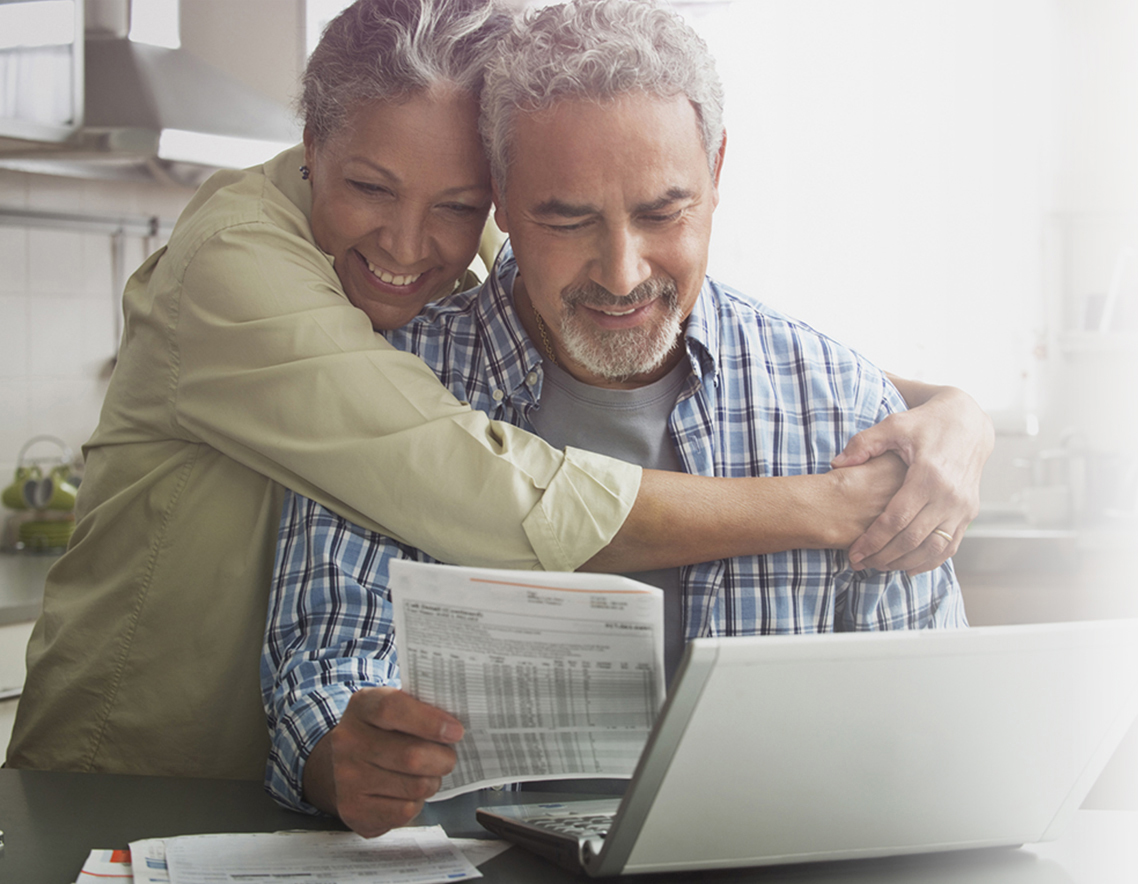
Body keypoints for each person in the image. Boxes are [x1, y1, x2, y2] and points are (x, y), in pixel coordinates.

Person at [6, 0, 989, 782]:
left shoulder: (484, 250)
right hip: (128, 757)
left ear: (491, 202)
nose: (407, 245)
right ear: (311, 145)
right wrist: (822, 503)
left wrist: (939, 405)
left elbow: (667, 317)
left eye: (456, 206)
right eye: (370, 188)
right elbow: (492, 494)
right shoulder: (237, 267)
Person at [262, 0, 967, 838]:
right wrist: (343, 753)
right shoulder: (393, 382)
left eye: (664, 213)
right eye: (567, 219)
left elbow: (932, 721)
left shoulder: (840, 405)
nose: (623, 273)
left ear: (716, 170)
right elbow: (318, 673)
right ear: (502, 198)